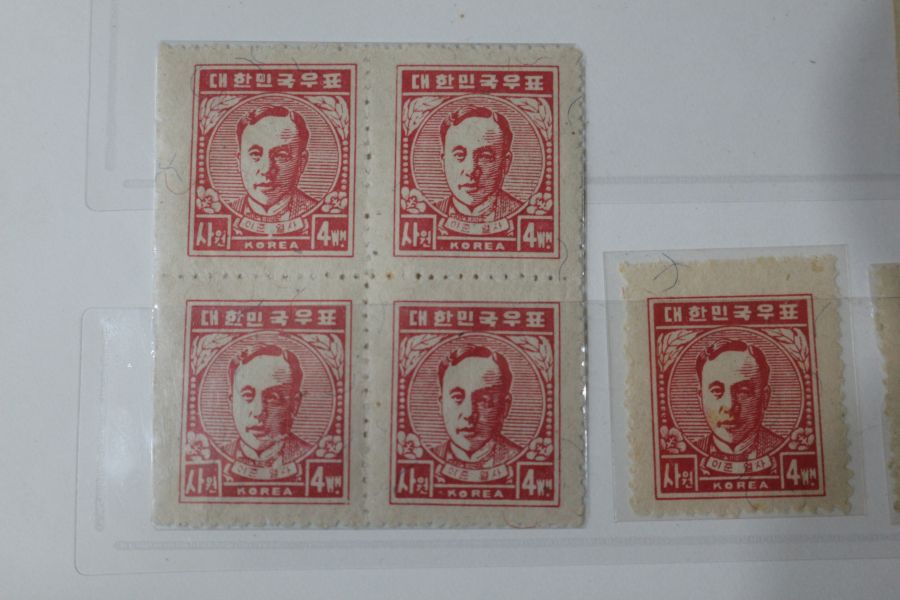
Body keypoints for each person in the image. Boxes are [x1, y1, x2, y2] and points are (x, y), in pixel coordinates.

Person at [225, 344, 313, 473]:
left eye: (272, 397)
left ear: (294, 405)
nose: (258, 411)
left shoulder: (311, 454)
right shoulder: (217, 454)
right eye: (247, 395)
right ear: (231, 403)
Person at [692, 339, 785, 460]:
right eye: (716, 391)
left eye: (743, 391)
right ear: (701, 399)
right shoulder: (690, 450)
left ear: (765, 398)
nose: (729, 406)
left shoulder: (784, 447)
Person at [431, 346, 522, 469]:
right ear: (441, 404)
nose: (468, 413)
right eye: (457, 397)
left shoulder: (520, 457)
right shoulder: (427, 457)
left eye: (483, 399)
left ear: (504, 407)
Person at [433, 106, 524, 228]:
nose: (471, 170)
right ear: (443, 162)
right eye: (459, 155)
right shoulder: (430, 211)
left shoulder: (522, 212)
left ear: (505, 163)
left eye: (485, 156)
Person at [232, 105, 319, 222]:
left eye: (281, 155)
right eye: (255, 154)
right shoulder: (227, 211)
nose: (266, 170)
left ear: (301, 162)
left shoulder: (319, 211)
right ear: (239, 161)